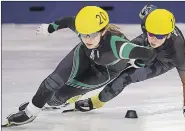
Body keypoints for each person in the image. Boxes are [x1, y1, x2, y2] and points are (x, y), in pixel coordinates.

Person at [4, 6, 157, 126]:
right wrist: (50, 28)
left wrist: (137, 62)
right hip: (85, 55)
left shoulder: (119, 47)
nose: (87, 39)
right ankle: (30, 112)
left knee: (59, 96)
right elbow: (68, 20)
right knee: (54, 80)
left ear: (103, 31)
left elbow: (149, 54)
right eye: (83, 34)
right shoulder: (83, 28)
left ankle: (52, 103)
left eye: (92, 35)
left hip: (105, 71)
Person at [71, 5, 185, 126]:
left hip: (163, 61)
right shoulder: (148, 22)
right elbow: (150, 11)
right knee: (118, 60)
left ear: (168, 34)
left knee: (125, 77)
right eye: (151, 34)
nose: (153, 40)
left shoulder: (177, 51)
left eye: (159, 36)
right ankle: (78, 87)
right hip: (144, 44)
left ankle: (96, 102)